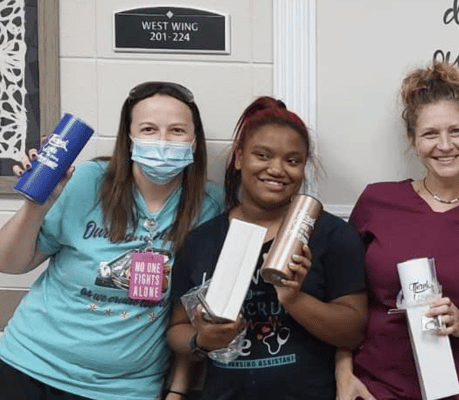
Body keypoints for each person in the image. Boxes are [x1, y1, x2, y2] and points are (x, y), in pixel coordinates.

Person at [0, 81, 224, 400]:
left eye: (177, 131)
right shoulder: (89, 181)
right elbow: (10, 263)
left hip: (124, 389)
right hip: (27, 366)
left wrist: (178, 391)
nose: (162, 141)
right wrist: (37, 206)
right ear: (129, 139)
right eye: (148, 129)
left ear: (194, 141)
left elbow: (187, 311)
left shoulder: (209, 205)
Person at [166, 96, 368, 399]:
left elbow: (353, 331)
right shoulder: (202, 240)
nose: (277, 170)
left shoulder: (332, 235)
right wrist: (201, 340)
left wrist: (295, 299)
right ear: (238, 158)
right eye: (263, 155)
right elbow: (176, 330)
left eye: (292, 160)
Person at [336, 61, 459, 400]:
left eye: (456, 131)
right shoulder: (377, 201)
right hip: (374, 387)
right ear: (413, 141)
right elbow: (343, 301)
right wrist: (344, 373)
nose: (445, 145)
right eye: (431, 134)